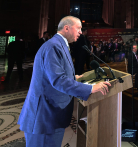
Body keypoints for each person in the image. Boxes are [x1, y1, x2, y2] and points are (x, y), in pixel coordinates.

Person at [18, 16, 111, 147]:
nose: (81, 32)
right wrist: (91, 89)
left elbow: (54, 74)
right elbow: (57, 80)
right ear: (66, 28)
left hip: (51, 115)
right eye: (78, 28)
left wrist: (74, 78)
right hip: (44, 116)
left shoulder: (59, 44)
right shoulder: (53, 46)